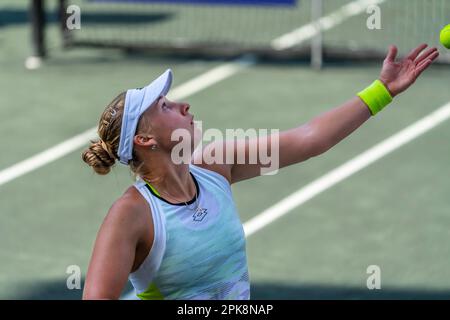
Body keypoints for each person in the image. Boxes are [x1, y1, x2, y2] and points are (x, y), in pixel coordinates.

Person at [81, 44, 439, 300]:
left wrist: (383, 91)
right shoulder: (131, 216)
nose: (183, 104)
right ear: (145, 138)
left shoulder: (213, 166)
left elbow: (309, 138)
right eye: (165, 106)